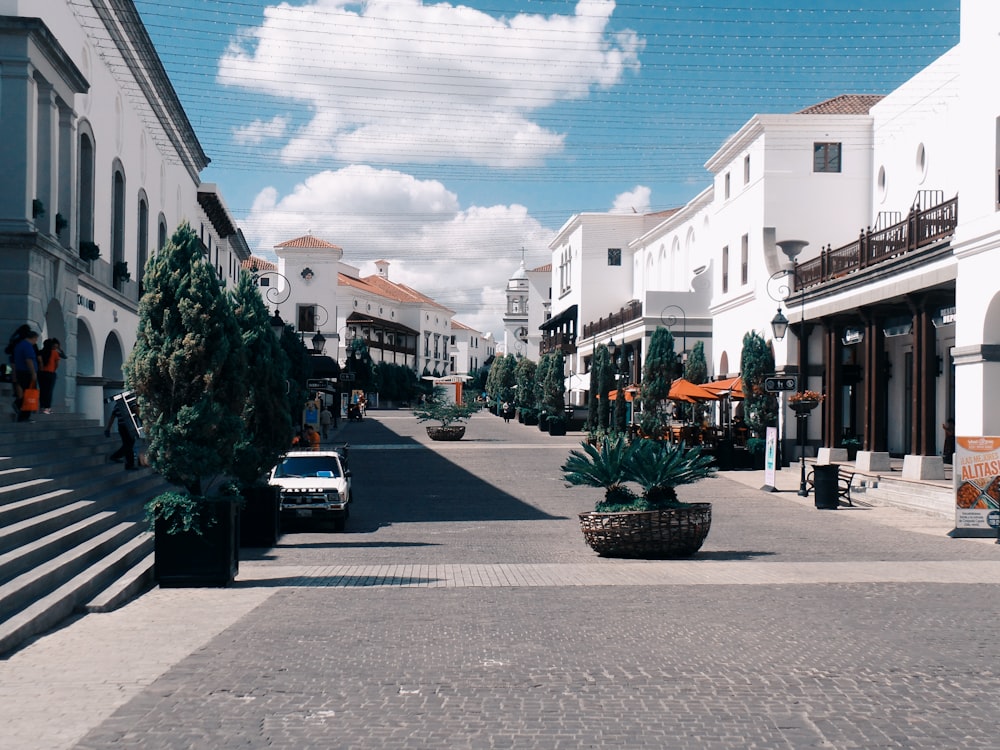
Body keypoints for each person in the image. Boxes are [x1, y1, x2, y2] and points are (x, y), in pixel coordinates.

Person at [12, 329, 39, 422]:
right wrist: (33, 373)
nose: (36, 342)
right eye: (36, 340)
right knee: (29, 395)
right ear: (34, 338)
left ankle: (20, 409)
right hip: (27, 372)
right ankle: (24, 415)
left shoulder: (18, 345)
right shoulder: (27, 346)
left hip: (20, 372)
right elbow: (29, 360)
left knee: (25, 393)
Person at [104, 398, 137, 470]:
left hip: (122, 427)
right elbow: (137, 411)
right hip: (128, 427)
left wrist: (108, 428)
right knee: (129, 445)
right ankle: (129, 463)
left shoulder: (117, 406)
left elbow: (112, 417)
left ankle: (117, 457)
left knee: (128, 444)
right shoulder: (130, 404)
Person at [38, 338, 61, 414]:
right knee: (49, 391)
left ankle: (41, 407)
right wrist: (53, 369)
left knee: (42, 390)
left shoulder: (41, 352)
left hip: (41, 373)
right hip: (50, 374)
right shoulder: (54, 353)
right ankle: (47, 408)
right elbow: (57, 364)